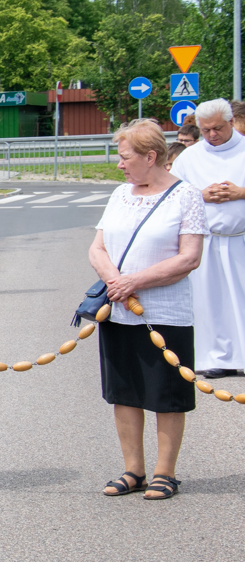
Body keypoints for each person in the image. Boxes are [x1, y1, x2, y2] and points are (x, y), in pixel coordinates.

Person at [88, 119, 207, 500]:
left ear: (151, 156)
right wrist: (115, 281)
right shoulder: (120, 194)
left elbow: (189, 258)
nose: (119, 164)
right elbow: (97, 248)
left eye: (125, 157)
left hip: (165, 312)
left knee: (166, 392)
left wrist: (133, 282)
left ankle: (164, 472)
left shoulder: (186, 196)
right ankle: (133, 470)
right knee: (124, 390)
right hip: (119, 309)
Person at [169, 98, 245, 379]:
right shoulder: (190, 157)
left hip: (241, 237)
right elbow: (171, 194)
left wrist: (241, 193)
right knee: (213, 302)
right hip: (208, 241)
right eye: (205, 130)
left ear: (231, 122)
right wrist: (200, 195)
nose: (212, 135)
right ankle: (219, 357)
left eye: (218, 128)